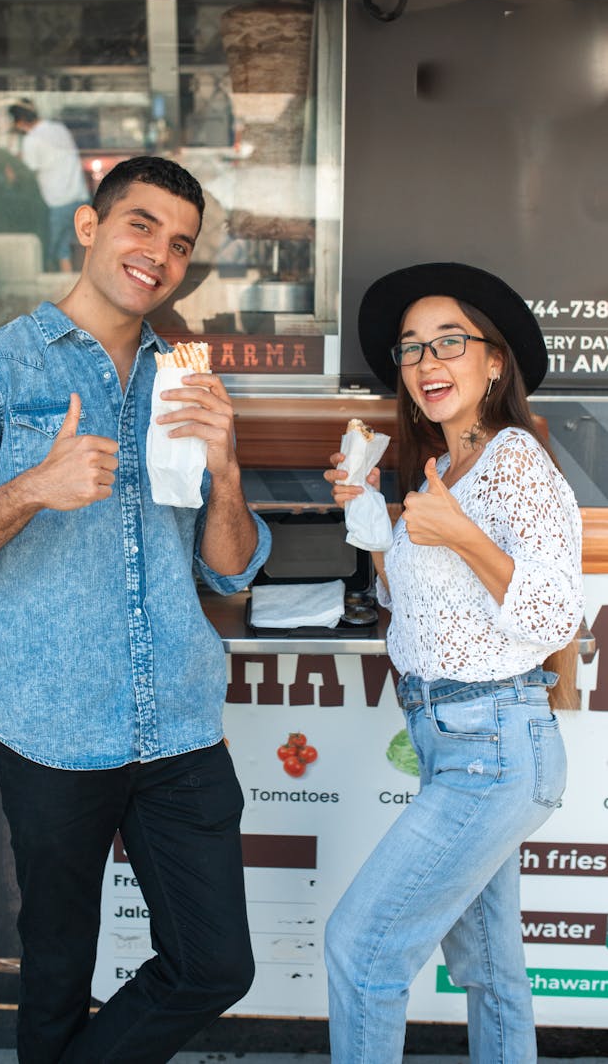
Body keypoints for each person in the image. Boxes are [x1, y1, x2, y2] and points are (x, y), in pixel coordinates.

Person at [0, 155, 271, 1064]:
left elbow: (230, 573)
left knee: (215, 964)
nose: (159, 255)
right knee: (58, 972)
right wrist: (34, 488)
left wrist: (225, 473)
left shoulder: (187, 376)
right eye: (141, 225)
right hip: (52, 727)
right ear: (90, 228)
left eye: (180, 243)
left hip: (179, 724)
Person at [323, 262, 584, 1064]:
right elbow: (425, 610)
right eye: (411, 350)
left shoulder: (514, 461)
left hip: (497, 745)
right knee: (491, 971)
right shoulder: (443, 465)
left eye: (450, 343)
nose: (428, 363)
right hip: (451, 740)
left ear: (494, 361)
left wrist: (461, 535)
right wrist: (371, 511)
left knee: (362, 950)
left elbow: (554, 618)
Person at [9, 98, 89, 272]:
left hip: (58, 202)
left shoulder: (32, 139)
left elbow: (27, 171)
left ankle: (55, 292)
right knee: (68, 250)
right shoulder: (59, 129)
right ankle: (69, 285)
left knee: (49, 254)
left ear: (20, 122)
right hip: (80, 197)